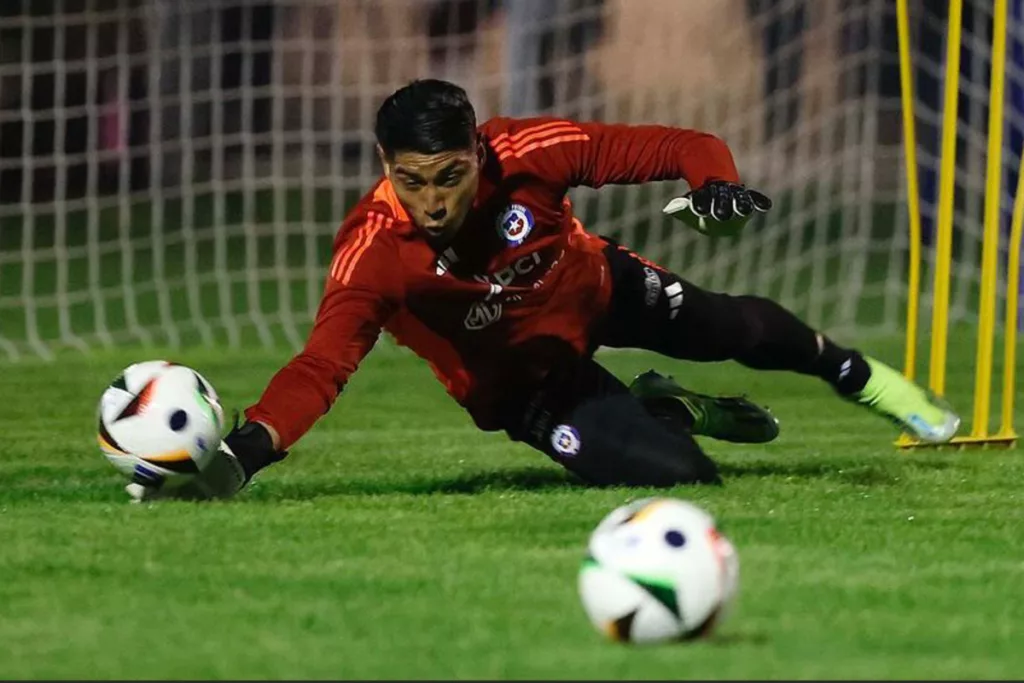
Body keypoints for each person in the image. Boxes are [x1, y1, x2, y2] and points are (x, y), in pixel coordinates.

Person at [126, 79, 960, 502]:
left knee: (738, 325)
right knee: (679, 477)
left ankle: (866, 379)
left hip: (598, 290)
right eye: (414, 181)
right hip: (529, 390)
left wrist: (713, 186)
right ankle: (672, 412)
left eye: (451, 175)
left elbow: (681, 141)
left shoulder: (530, 150)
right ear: (387, 168)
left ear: (478, 154)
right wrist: (243, 454)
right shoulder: (372, 253)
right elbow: (321, 366)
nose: (436, 200)